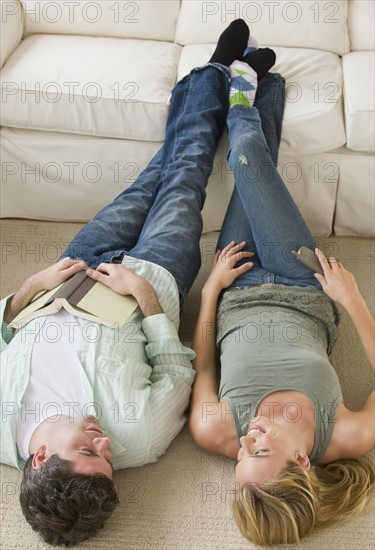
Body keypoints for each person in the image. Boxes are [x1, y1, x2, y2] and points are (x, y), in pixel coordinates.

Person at [0, 20, 277, 547]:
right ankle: (224, 73)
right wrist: (143, 296)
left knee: (155, 172)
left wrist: (36, 281)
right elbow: (178, 367)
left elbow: (2, 329)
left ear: (39, 457)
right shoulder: (141, 437)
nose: (104, 444)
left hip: (72, 268)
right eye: (106, 459)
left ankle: (223, 73)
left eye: (87, 451)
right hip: (153, 273)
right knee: (187, 170)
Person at [189, 41, 375, 545]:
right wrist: (351, 298)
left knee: (253, 166)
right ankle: (247, 84)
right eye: (259, 451)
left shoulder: (216, 432)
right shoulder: (346, 436)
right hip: (304, 282)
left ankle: (256, 81)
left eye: (240, 457)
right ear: (300, 459)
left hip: (240, 278)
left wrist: (211, 290)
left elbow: (203, 364)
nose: (246, 440)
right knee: (248, 157)